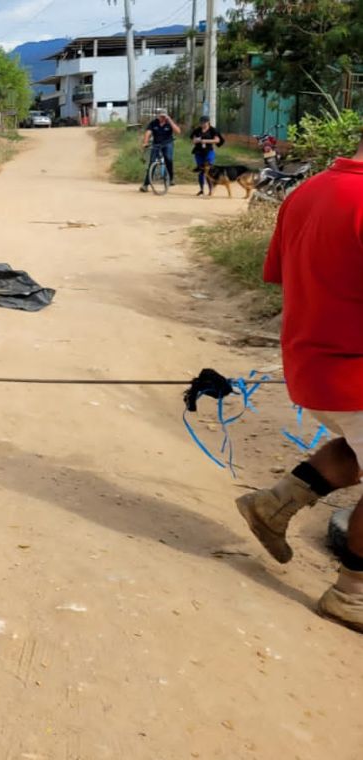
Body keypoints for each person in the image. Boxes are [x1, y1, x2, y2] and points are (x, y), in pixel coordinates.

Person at [239, 133, 363, 633]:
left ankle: (274, 505)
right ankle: (352, 594)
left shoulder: (307, 192)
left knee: (356, 450)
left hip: (311, 364)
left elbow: (283, 275)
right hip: (353, 372)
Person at [140, 108, 180, 191]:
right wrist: (145, 142)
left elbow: (178, 131)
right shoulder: (153, 123)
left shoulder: (169, 123)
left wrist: (170, 120)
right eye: (161, 116)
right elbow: (148, 133)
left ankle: (171, 179)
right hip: (156, 144)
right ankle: (145, 185)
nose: (162, 118)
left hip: (167, 143)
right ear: (158, 116)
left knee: (168, 159)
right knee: (152, 163)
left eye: (164, 116)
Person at [190, 115, 225, 196]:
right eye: (201, 123)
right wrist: (197, 140)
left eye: (204, 122)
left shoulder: (213, 130)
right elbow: (193, 140)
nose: (203, 124)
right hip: (199, 152)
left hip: (209, 151)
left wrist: (206, 140)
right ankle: (201, 190)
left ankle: (211, 190)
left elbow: (217, 140)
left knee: (209, 171)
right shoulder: (197, 130)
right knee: (201, 170)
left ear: (208, 122)